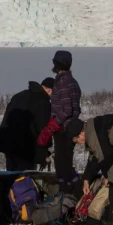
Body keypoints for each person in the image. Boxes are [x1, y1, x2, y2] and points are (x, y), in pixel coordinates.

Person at [36, 50, 82, 195]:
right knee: (66, 161)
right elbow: (75, 108)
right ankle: (71, 191)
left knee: (62, 165)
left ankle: (67, 194)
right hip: (71, 127)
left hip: (63, 129)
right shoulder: (73, 82)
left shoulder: (62, 82)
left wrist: (53, 125)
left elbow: (66, 109)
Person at [0, 78, 54, 171]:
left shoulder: (19, 96)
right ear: (50, 90)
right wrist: (43, 153)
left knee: (11, 176)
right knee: (25, 178)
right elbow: (43, 129)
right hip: (26, 148)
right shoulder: (43, 102)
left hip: (8, 143)